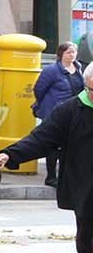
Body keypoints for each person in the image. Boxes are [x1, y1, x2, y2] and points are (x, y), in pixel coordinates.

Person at [0, 63, 93, 253]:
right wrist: (10, 154)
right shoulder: (71, 110)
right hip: (86, 188)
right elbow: (42, 138)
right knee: (86, 244)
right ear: (87, 86)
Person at [33, 42, 83, 188]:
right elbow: (39, 90)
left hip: (73, 111)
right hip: (54, 112)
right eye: (69, 52)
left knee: (69, 145)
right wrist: (47, 105)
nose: (72, 55)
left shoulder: (78, 68)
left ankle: (65, 175)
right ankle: (51, 176)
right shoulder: (51, 70)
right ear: (61, 54)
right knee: (53, 144)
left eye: (74, 52)